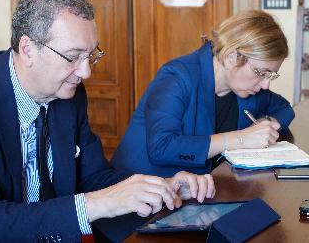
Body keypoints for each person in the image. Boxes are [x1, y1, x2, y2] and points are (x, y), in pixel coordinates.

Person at [0, 0, 215, 243]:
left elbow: (95, 177)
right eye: (72, 57)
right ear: (27, 49)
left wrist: (160, 186)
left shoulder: (68, 92)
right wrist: (97, 204)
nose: (85, 72)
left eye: (91, 55)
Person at [111, 10, 295, 177]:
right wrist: (241, 138)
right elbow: (162, 148)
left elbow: (285, 109)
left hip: (200, 189)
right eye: (261, 73)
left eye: (271, 75)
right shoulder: (177, 77)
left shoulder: (249, 89)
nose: (265, 84)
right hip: (142, 192)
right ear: (232, 58)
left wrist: (267, 126)